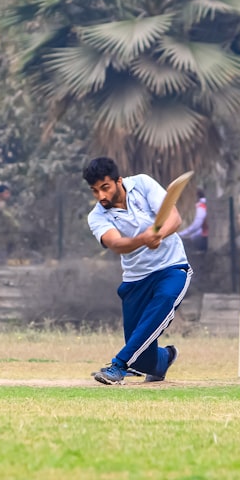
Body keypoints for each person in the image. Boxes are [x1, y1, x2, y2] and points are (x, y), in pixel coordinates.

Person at [82, 157, 191, 385]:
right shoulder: (97, 216)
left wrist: (159, 234)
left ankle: (118, 366)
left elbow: (174, 218)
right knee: (142, 359)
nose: (101, 196)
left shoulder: (142, 184)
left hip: (172, 268)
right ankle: (164, 358)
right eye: (95, 191)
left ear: (118, 181)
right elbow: (117, 244)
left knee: (164, 299)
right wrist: (143, 239)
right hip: (135, 280)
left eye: (105, 188)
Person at [177, 187, 208, 253]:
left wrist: (181, 234)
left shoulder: (201, 207)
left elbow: (196, 226)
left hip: (204, 238)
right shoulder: (204, 205)